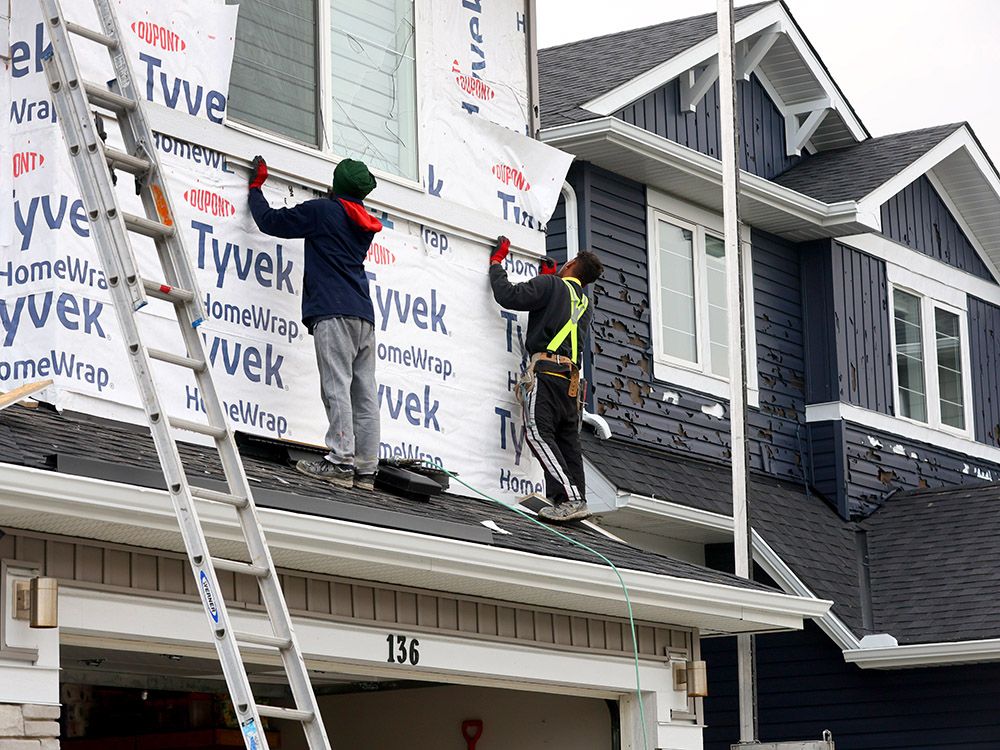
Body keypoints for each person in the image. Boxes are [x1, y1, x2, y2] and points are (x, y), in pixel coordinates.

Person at [247, 156, 383, 490]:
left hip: (333, 311)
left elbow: (269, 222)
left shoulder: (322, 211)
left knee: (336, 386)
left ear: (336, 186)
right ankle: (366, 469)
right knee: (364, 394)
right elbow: (342, 215)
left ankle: (339, 462)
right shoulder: (363, 223)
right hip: (363, 315)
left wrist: (255, 188)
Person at [489, 237, 605, 523]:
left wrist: (496, 264)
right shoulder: (585, 303)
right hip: (572, 385)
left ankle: (570, 498)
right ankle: (576, 498)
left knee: (538, 433)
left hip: (548, 375)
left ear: (572, 264)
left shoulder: (552, 286)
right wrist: (546, 278)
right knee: (568, 442)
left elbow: (509, 296)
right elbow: (556, 316)